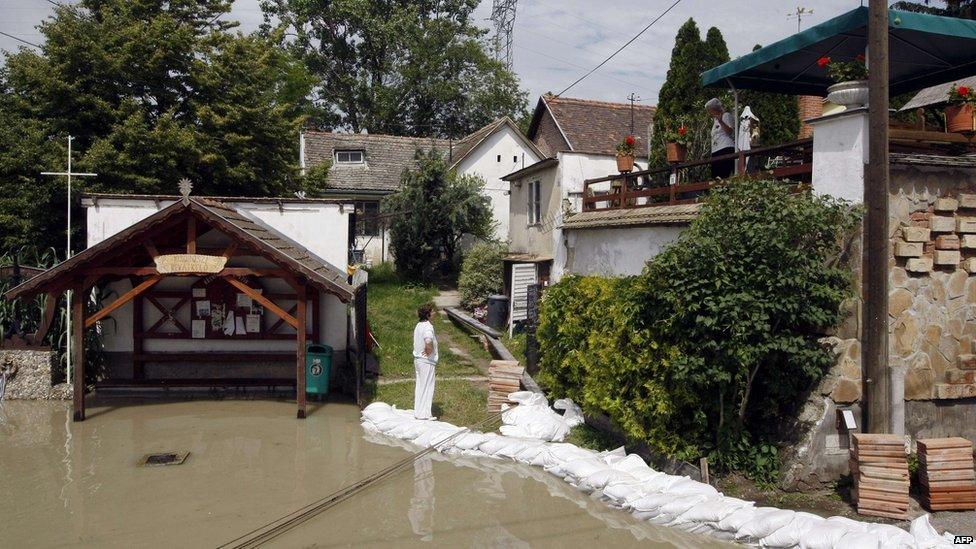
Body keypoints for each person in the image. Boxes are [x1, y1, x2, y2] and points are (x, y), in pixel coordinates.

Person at [412, 303, 439, 420]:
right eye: (432, 312)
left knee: (420, 386)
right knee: (428, 386)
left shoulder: (419, 325)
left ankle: (418, 411)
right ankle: (425, 414)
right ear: (428, 315)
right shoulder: (428, 326)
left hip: (418, 360)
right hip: (426, 361)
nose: (434, 313)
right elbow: (428, 338)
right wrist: (429, 347)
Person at [706, 97, 736, 179]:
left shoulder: (726, 115)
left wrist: (721, 121)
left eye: (710, 110)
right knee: (715, 178)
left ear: (715, 109)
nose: (709, 112)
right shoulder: (715, 120)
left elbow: (730, 131)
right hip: (716, 151)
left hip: (725, 148)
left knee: (723, 176)